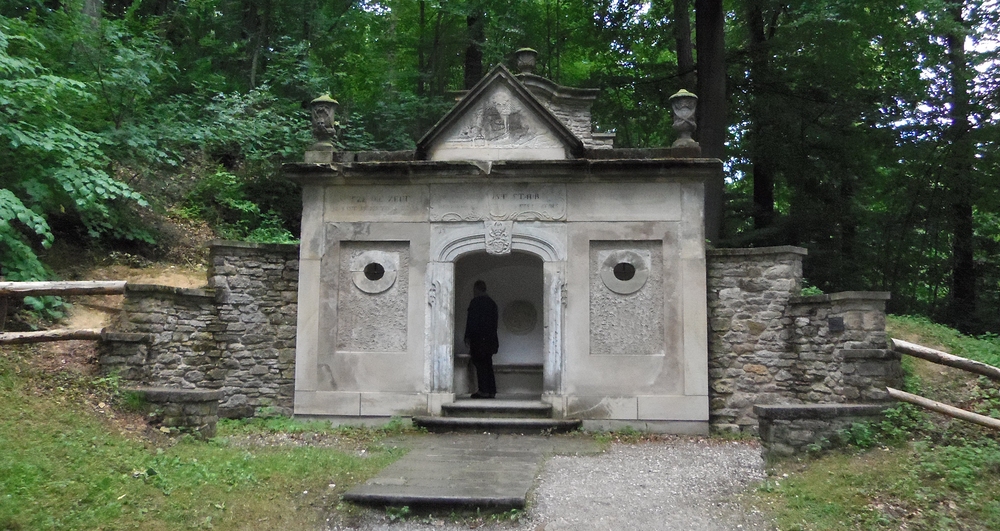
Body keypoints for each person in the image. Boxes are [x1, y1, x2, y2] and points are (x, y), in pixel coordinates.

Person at [464, 280, 499, 399]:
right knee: (488, 364)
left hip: (478, 340)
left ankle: (483, 390)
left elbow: (471, 322)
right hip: (490, 340)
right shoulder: (492, 303)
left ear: (476, 289)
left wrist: (468, 337)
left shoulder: (476, 303)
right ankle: (491, 390)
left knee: (480, 365)